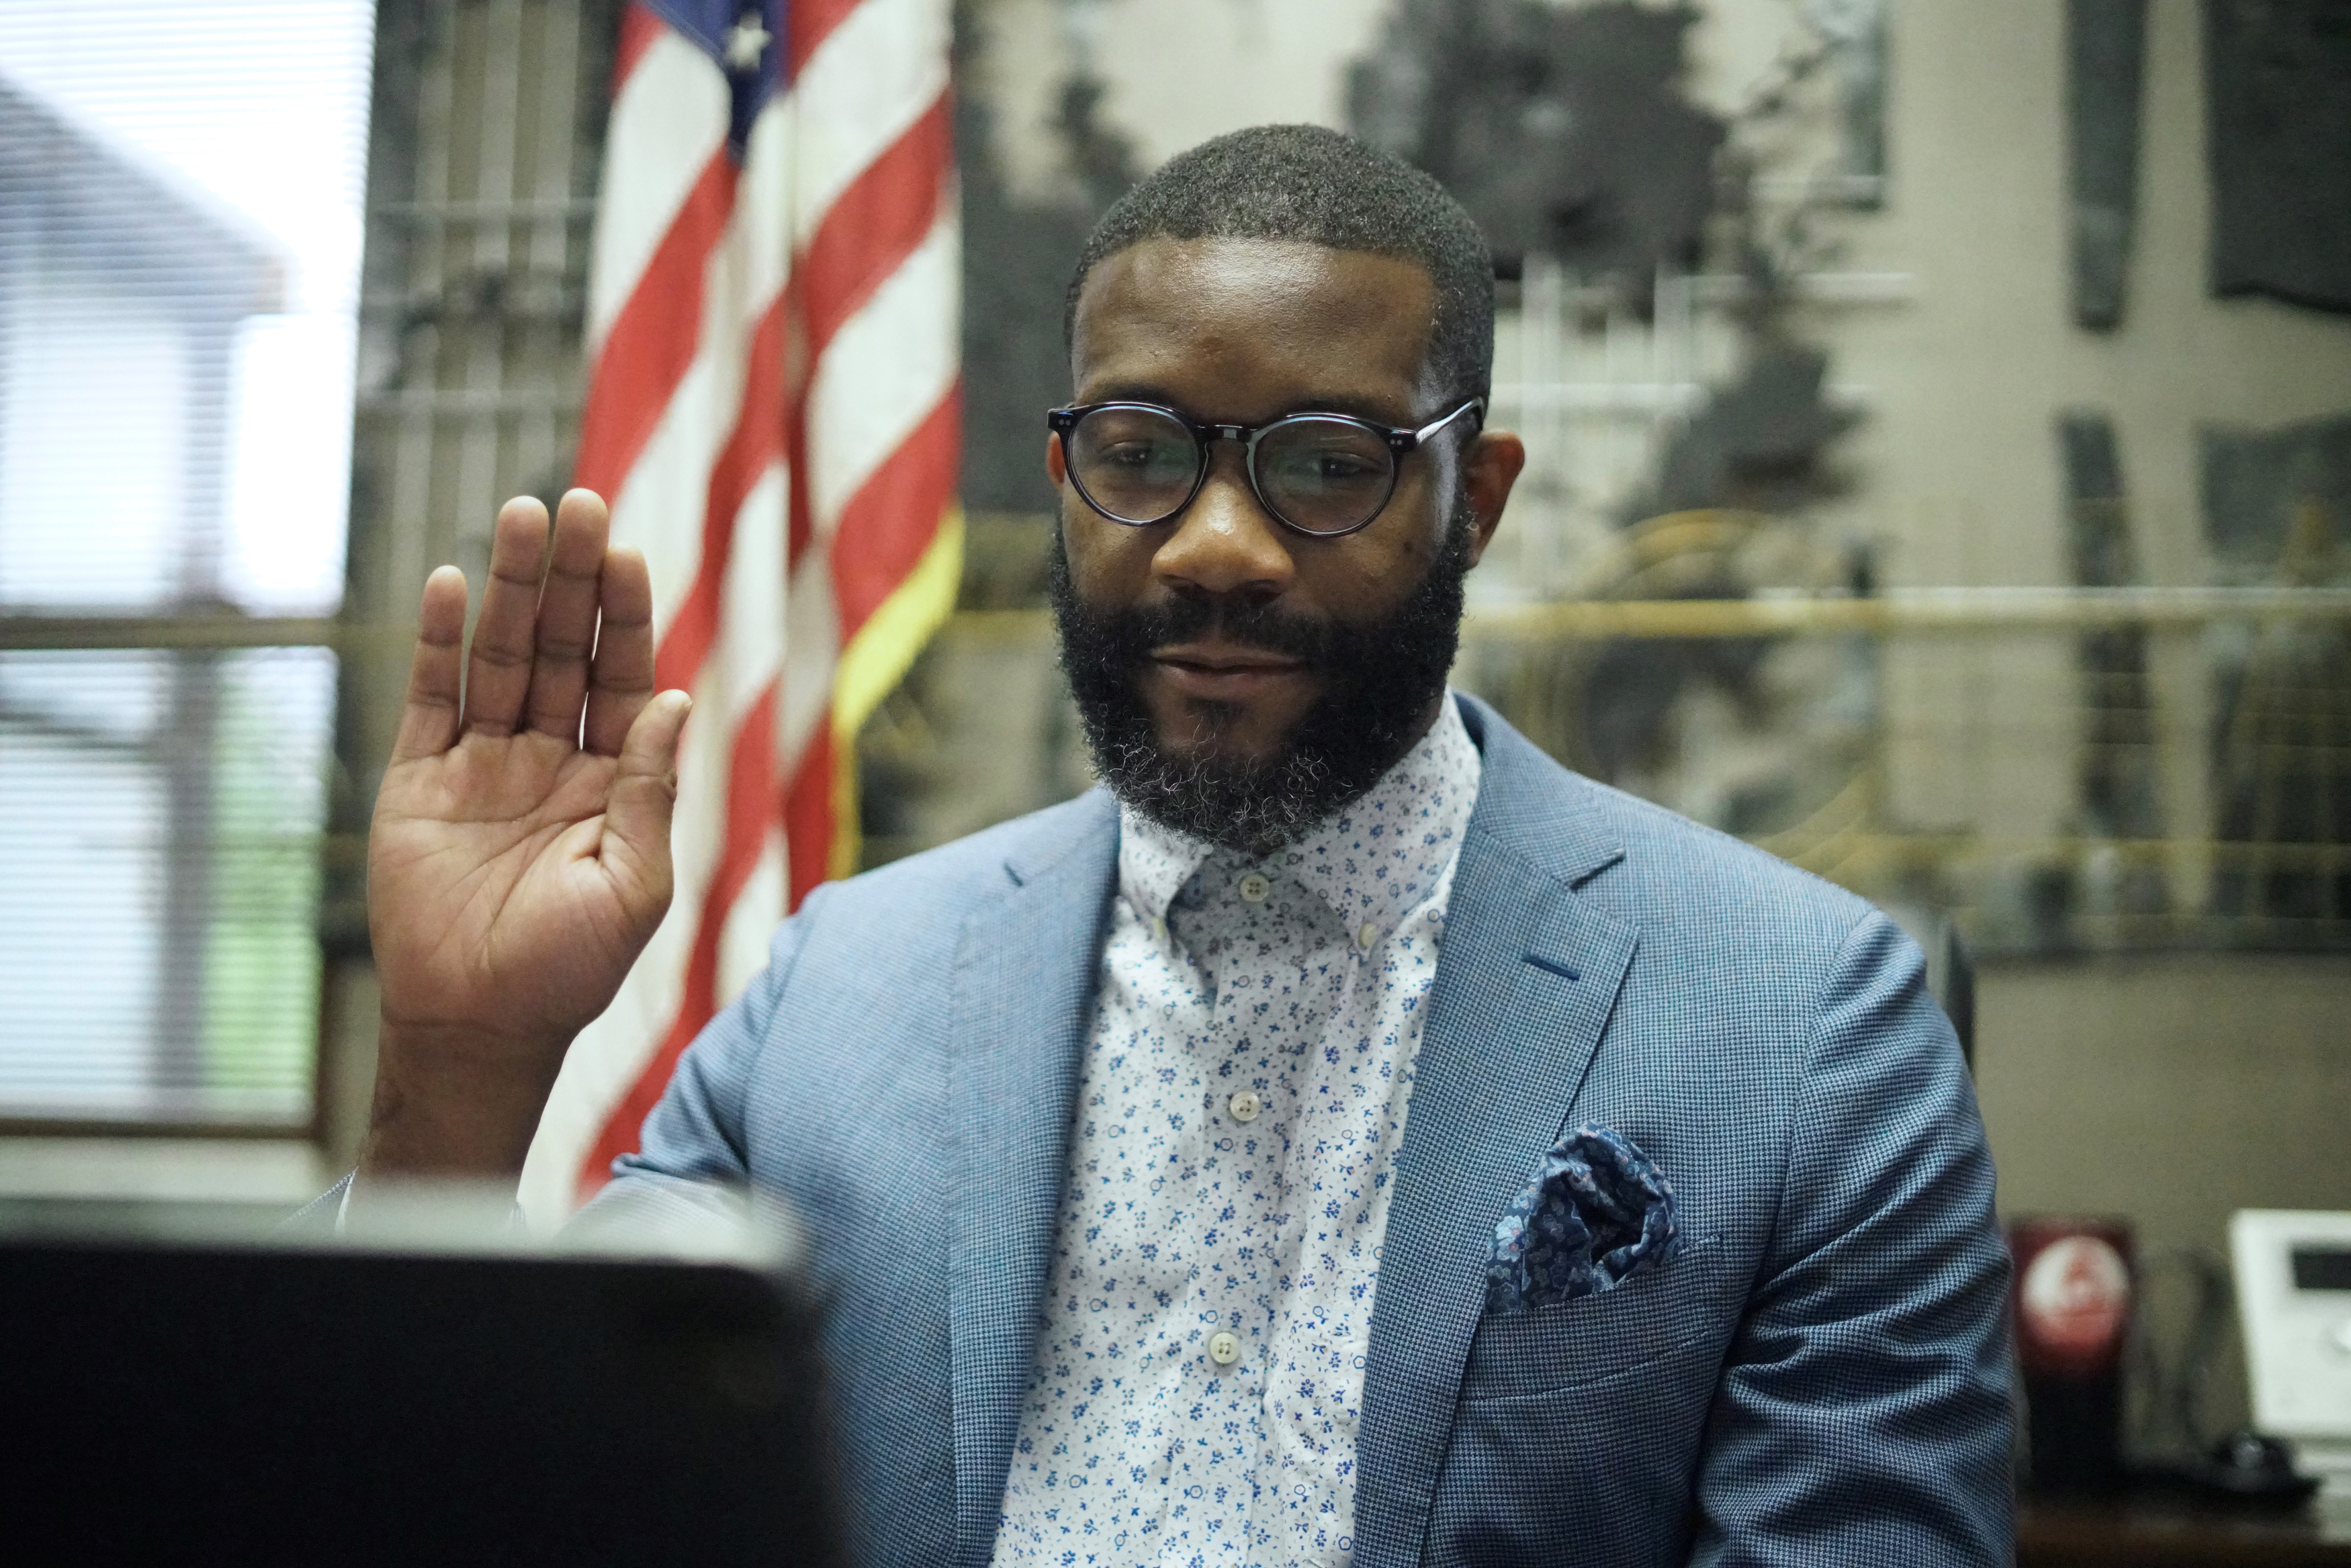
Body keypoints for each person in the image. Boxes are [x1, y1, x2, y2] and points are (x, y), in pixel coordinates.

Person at [351, 126, 2012, 1567]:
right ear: (1067, 474)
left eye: (1324, 467)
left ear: (1475, 499)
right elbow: (498, 1502)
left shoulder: (1807, 1030)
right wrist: (461, 1058)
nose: (1217, 548)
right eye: (1140, 454)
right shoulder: (837, 993)